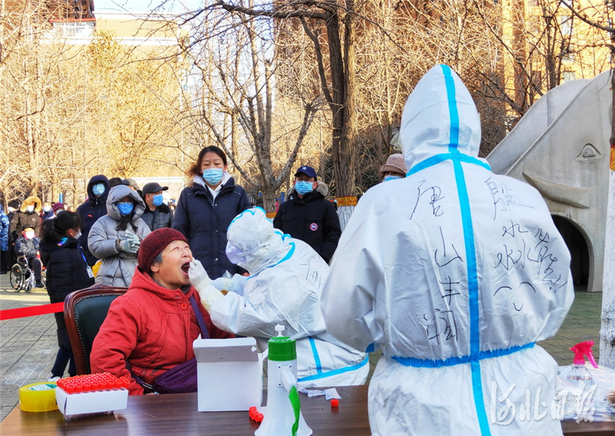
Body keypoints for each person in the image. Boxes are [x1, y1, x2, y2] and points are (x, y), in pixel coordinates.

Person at [320, 65, 575, 435]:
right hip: (521, 399)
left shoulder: (383, 203)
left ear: (410, 132)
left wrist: (380, 335)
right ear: (474, 129)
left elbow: (341, 312)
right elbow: (559, 292)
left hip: (421, 406)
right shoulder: (525, 198)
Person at [195, 207, 368, 388]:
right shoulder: (291, 248)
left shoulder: (286, 281)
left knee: (316, 416)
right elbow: (262, 281)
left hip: (325, 373)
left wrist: (204, 288)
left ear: (259, 251)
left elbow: (243, 317)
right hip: (331, 360)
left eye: (243, 254)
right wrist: (233, 285)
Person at [91, 228, 234, 395]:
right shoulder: (130, 304)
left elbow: (226, 343)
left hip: (200, 392)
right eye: (176, 249)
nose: (186, 253)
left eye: (186, 247)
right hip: (153, 401)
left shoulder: (200, 296)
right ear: (154, 265)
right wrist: (139, 399)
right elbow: (104, 360)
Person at [173, 146, 252, 279]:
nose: (212, 168)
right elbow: (179, 231)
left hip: (232, 270)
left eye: (217, 163)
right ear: (200, 168)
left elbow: (248, 232)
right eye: (206, 164)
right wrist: (184, 263)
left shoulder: (237, 193)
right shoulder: (188, 195)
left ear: (225, 167)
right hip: (197, 268)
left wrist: (244, 267)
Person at [40, 212, 95, 380]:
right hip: (69, 306)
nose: (80, 231)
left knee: (73, 342)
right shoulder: (62, 253)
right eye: (78, 227)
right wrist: (71, 306)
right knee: (69, 342)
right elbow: (60, 285)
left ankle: (70, 374)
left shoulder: (70, 247)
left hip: (77, 304)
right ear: (71, 231)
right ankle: (59, 375)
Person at [273, 165, 341, 263]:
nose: (303, 182)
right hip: (288, 262)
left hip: (316, 263)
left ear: (314, 184)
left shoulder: (325, 206)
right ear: (294, 183)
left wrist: (323, 257)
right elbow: (277, 233)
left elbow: (333, 234)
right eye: (300, 179)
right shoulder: (285, 207)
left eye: (307, 180)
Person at [88, 184, 151, 287]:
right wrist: (118, 245)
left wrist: (141, 242)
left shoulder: (140, 223)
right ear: (113, 203)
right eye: (122, 201)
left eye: (129, 201)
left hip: (137, 274)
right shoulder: (102, 223)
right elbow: (95, 246)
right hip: (110, 278)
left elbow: (152, 245)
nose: (126, 204)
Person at [76, 175, 110, 266]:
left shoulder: (112, 206)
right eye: (94, 186)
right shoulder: (82, 209)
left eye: (100, 185)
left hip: (109, 250)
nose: (97, 188)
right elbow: (79, 230)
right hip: (89, 252)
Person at [0, 206, 9, 274]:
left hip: (2, 237)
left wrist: (2, 233)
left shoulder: (2, 215)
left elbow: (6, 225)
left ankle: (4, 268)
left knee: (3, 253)